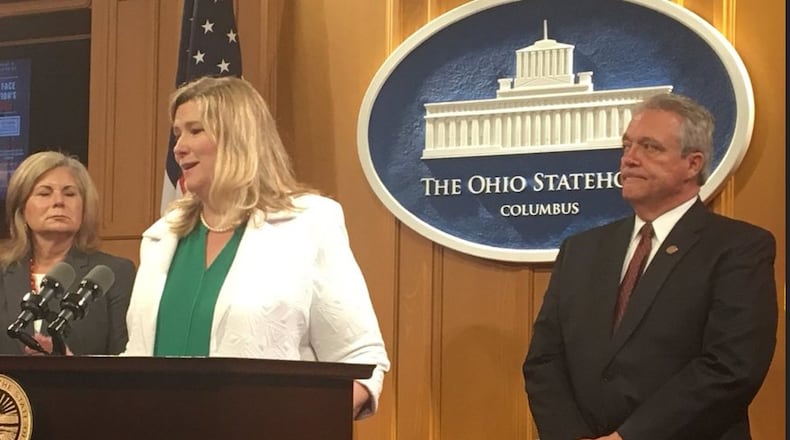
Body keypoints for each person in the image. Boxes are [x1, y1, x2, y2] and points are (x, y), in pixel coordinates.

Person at [122, 76, 390, 419]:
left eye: (195, 131)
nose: (178, 148)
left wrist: (298, 424)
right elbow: (138, 356)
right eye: (177, 134)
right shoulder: (162, 238)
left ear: (239, 138)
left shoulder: (307, 225)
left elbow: (360, 360)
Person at [522, 93, 777, 440]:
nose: (629, 159)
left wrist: (629, 437)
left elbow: (731, 366)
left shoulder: (738, 248)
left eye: (650, 147)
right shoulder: (580, 250)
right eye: (626, 146)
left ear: (693, 164)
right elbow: (544, 359)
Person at [0, 151, 136, 355]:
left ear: (84, 207)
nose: (58, 202)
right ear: (22, 208)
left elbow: (126, 359)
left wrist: (70, 362)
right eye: (44, 193)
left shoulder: (113, 273)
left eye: (70, 194)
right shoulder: (3, 273)